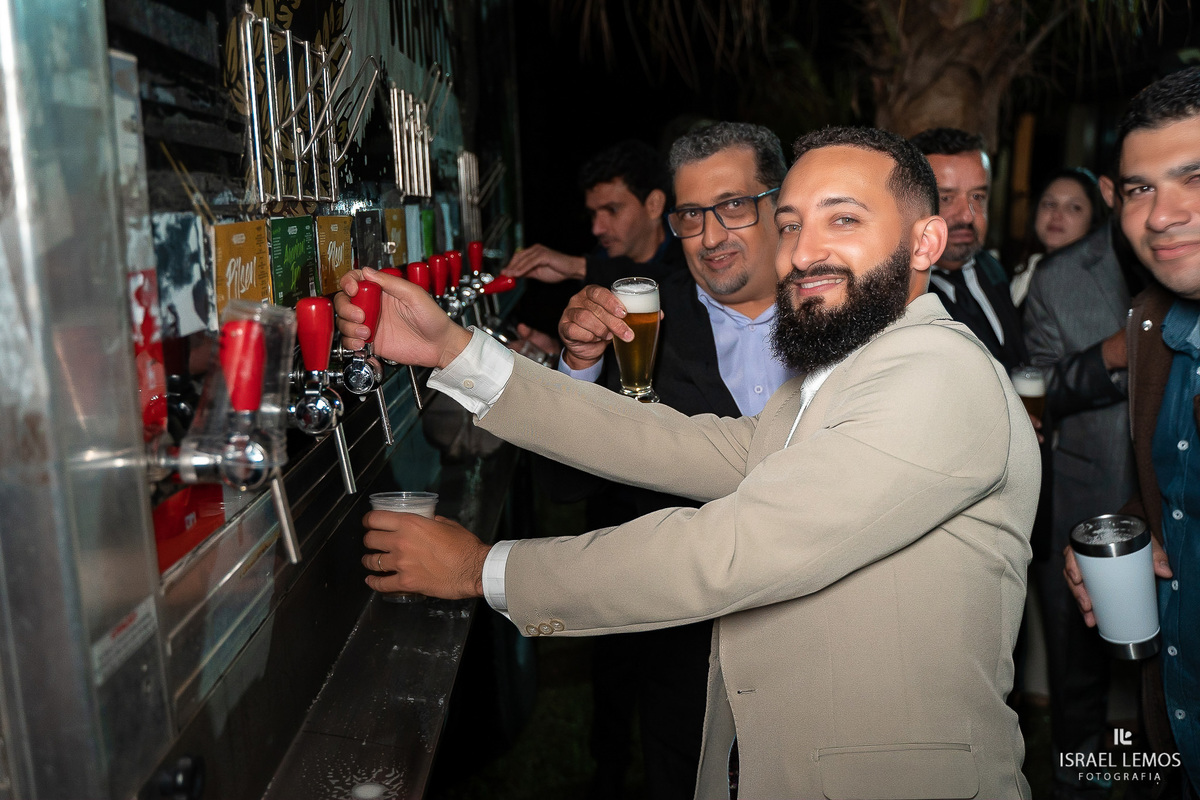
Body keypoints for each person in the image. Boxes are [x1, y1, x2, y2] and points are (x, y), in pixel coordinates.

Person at [335, 126, 1039, 798]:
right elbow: (668, 442)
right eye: (791, 225)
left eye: (843, 220)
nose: (802, 252)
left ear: (926, 242)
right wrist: (456, 354)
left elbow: (734, 547)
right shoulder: (842, 374)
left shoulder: (937, 373)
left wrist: (482, 569)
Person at [548, 122, 797, 800]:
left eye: (734, 206)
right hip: (685, 654)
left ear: (782, 204)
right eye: (692, 215)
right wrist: (577, 365)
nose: (712, 236)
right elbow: (566, 481)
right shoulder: (643, 320)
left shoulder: (837, 314)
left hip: (817, 643)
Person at [1064, 65, 1200, 799]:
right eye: (1141, 188)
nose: (1161, 215)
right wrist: (1137, 537)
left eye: (1194, 177)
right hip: (1174, 722)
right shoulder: (1150, 327)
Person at [1023, 168, 1137, 800]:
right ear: (1113, 190)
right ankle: (1083, 787)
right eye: (1139, 186)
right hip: (1087, 502)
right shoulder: (1059, 276)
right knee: (1079, 683)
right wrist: (1113, 357)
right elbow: (1038, 388)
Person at [911, 127, 1028, 371]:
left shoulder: (992, 268)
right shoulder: (900, 298)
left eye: (977, 196)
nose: (967, 215)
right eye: (945, 198)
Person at [502, 139, 680, 288]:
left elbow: (674, 285)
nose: (596, 229)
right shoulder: (600, 263)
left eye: (612, 210)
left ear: (654, 205)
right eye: (593, 214)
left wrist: (579, 266)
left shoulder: (690, 251)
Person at [1011, 168, 1108, 306]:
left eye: (1074, 207)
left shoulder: (1096, 287)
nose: (1057, 215)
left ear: (1093, 220)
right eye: (1050, 204)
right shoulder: (1027, 269)